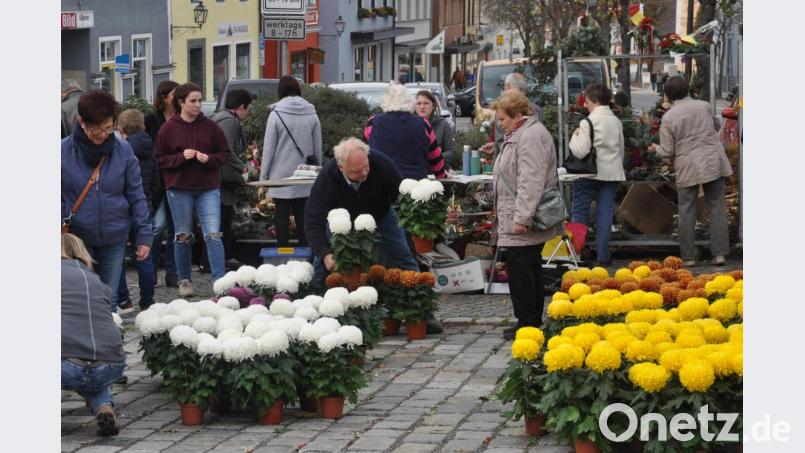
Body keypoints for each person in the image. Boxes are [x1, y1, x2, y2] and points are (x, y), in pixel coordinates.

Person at [305, 137, 443, 333]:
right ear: (341, 166)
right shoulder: (327, 178)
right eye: (356, 171)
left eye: (366, 167)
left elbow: (401, 196)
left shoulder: (381, 163)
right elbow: (312, 220)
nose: (363, 173)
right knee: (322, 268)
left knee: (403, 258)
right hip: (341, 223)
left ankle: (424, 315)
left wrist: (417, 226)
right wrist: (325, 253)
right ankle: (317, 319)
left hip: (381, 214)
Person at [61, 90, 152, 312]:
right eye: (97, 129)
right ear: (82, 122)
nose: (103, 134)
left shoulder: (123, 150)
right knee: (82, 300)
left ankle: (110, 345)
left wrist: (144, 235)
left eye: (108, 128)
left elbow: (136, 195)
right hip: (77, 240)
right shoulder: (62, 151)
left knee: (107, 300)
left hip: (114, 235)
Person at [491, 90, 562, 341]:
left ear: (518, 115)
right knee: (528, 266)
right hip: (518, 211)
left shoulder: (530, 137)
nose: (500, 124)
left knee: (521, 268)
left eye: (503, 119)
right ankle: (529, 319)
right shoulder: (523, 133)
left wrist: (522, 217)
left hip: (522, 215)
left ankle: (528, 321)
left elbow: (530, 180)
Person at [155, 82, 231, 297]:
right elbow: (160, 159)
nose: (198, 105)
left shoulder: (211, 126)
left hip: (208, 187)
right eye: (193, 101)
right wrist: (181, 157)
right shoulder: (168, 129)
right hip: (179, 188)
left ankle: (219, 282)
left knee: (213, 235)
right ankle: (185, 280)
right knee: (182, 235)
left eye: (200, 100)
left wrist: (210, 159)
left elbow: (224, 153)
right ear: (181, 102)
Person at [647, 76, 732, 266]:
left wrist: (655, 149)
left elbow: (668, 150)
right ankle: (719, 254)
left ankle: (688, 257)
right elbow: (716, 126)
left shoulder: (669, 117)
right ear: (688, 90)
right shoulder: (704, 106)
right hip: (712, 160)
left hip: (688, 165)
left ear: (668, 95)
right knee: (717, 207)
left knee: (686, 210)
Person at [61, 233, 126, 436]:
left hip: (68, 365)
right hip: (111, 365)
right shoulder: (98, 281)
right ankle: (103, 406)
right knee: (93, 373)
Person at [260, 76, 323, 247]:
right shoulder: (312, 113)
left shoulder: (276, 114)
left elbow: (269, 149)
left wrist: (264, 177)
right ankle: (306, 256)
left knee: (281, 215)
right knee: (303, 215)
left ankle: (283, 254)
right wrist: (317, 171)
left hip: (280, 175)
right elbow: (318, 147)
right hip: (304, 174)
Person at [568, 84, 625, 266]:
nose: (585, 104)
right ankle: (603, 256)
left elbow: (580, 151)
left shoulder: (588, 122)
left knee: (579, 213)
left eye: (587, 101)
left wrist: (574, 137)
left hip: (589, 173)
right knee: (605, 213)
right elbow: (621, 149)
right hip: (612, 172)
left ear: (595, 101)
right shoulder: (615, 121)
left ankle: (575, 255)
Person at [116, 109, 159, 310]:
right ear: (143, 126)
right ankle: (148, 300)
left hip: (122, 208)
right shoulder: (151, 148)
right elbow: (157, 182)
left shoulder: (119, 150)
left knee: (117, 254)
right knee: (144, 255)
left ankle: (123, 298)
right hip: (145, 206)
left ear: (120, 128)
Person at [363, 83, 446, 180]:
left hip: (381, 181)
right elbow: (435, 157)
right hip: (415, 183)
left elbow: (364, 152)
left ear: (386, 101)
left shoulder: (373, 122)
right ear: (410, 102)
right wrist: (442, 176)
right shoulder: (423, 124)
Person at [210, 88, 252, 266]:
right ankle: (220, 259)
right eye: (248, 108)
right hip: (223, 178)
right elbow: (227, 150)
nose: (248, 112)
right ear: (241, 106)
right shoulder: (229, 121)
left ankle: (221, 257)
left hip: (219, 176)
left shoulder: (221, 118)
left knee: (222, 218)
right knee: (222, 218)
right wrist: (242, 167)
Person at [145, 80, 180, 288]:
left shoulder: (181, 118)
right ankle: (151, 268)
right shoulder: (152, 119)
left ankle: (172, 272)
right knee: (157, 226)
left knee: (177, 229)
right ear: (165, 96)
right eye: (175, 94)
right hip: (158, 180)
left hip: (177, 178)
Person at [481, 72, 543, 159]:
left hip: (509, 164)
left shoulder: (504, 110)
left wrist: (497, 147)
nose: (500, 123)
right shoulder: (537, 110)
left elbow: (502, 142)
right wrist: (494, 146)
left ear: (508, 87)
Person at [415, 90, 457, 169]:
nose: (422, 107)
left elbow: (452, 153)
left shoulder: (443, 125)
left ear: (433, 106)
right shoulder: (409, 125)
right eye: (419, 103)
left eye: (426, 103)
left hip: (438, 173)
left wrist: (434, 157)